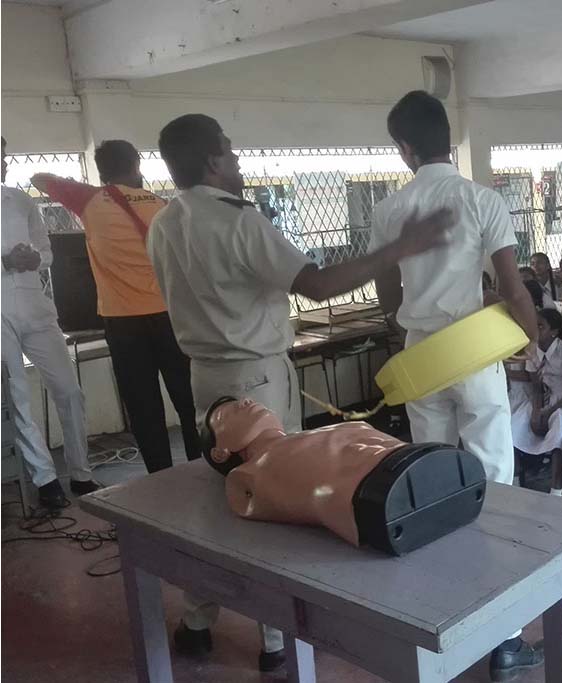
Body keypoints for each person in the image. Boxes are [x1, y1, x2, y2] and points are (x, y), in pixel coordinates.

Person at [149, 112, 453, 672]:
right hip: (254, 377)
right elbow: (315, 284)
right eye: (230, 148)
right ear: (213, 160)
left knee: (221, 492)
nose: (237, 158)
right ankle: (273, 639)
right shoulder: (238, 221)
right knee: (271, 499)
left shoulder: (164, 223)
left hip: (203, 374)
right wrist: (400, 247)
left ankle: (198, 617)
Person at [367, 92, 542, 678]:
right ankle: (507, 637)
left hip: (423, 355)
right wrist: (532, 336)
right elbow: (512, 287)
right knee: (497, 478)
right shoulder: (480, 199)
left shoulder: (390, 210)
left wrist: (410, 324)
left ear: (406, 147)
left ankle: (442, 613)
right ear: (450, 137)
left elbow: (388, 296)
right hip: (472, 349)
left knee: (434, 475)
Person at [31, 141, 201, 474]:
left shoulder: (90, 201)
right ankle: (204, 469)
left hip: (123, 322)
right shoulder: (163, 205)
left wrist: (88, 185)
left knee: (143, 407)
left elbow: (39, 177)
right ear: (137, 165)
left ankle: (163, 482)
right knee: (189, 399)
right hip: (171, 316)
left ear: (102, 170)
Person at [1, 137, 98, 508]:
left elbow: (47, 251)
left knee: (69, 390)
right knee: (18, 395)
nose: (5, 163)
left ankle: (81, 472)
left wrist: (34, 259)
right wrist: (5, 263)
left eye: (5, 156)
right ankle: (45, 481)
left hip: (34, 303)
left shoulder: (22, 201)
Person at [511, 309, 562, 497]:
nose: (535, 330)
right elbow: (536, 386)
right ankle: (516, 479)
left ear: (554, 331)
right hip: (545, 397)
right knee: (513, 424)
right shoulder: (532, 351)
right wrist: (537, 411)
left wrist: (549, 411)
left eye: (540, 326)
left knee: (559, 428)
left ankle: (556, 490)